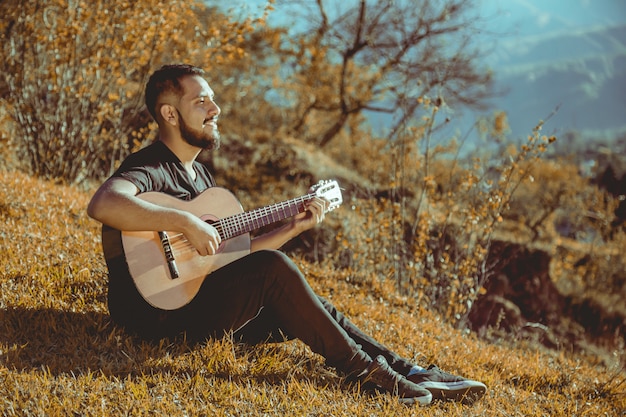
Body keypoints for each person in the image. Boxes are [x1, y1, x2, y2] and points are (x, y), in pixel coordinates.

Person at [87, 64, 487, 406]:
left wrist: (292, 226)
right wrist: (185, 222)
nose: (216, 109)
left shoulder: (201, 177)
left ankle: (408, 370)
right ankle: (365, 375)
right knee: (276, 270)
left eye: (212, 99)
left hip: (192, 303)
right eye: (201, 102)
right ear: (170, 115)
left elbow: (236, 258)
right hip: (152, 317)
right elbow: (103, 203)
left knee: (310, 302)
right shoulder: (151, 165)